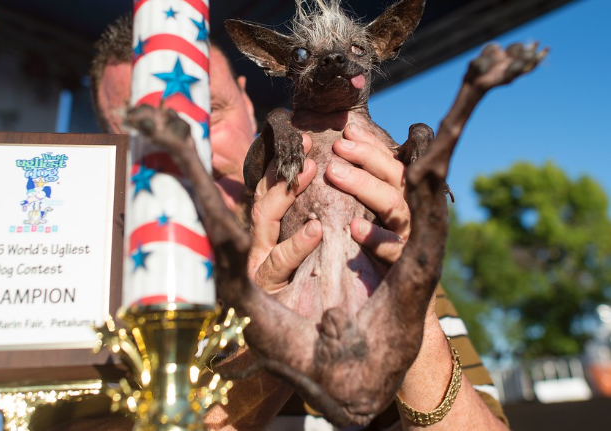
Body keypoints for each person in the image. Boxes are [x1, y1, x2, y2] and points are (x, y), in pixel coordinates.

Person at [69, 14, 508, 431]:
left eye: (211, 110)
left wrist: (412, 306)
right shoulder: (80, 272)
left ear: (245, 97)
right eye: (144, 126)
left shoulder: (383, 230)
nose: (192, 142)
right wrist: (263, 335)